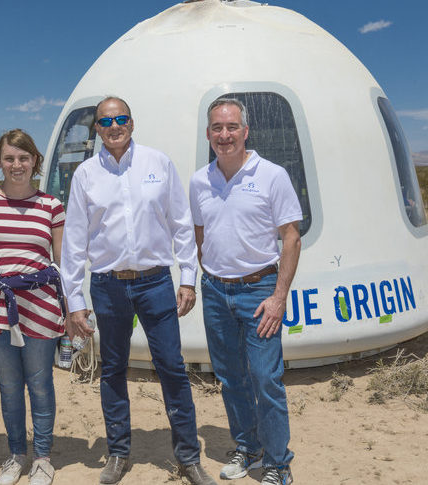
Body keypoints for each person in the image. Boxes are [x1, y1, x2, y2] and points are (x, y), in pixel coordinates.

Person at [61, 97, 215, 485]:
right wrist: (75, 301)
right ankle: (118, 452)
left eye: (122, 118)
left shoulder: (157, 163)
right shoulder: (85, 175)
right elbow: (75, 241)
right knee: (112, 369)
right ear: (97, 128)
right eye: (106, 121)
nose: (115, 126)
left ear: (133, 122)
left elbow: (181, 223)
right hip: (108, 285)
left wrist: (187, 279)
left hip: (155, 282)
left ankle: (188, 457)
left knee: (172, 368)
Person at [189, 98, 302, 485]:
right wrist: (211, 275)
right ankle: (248, 446)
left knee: (265, 378)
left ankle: (277, 462)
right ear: (209, 134)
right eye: (217, 129)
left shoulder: (272, 175)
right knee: (229, 375)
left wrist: (279, 296)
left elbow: (291, 237)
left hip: (260, 291)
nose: (225, 135)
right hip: (216, 292)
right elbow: (199, 232)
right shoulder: (199, 180)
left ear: (245, 131)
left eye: (232, 127)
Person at [0, 129, 65, 485]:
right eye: (10, 158)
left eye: (24, 158)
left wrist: (75, 308)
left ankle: (43, 458)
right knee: (9, 387)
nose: (17, 165)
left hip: (40, 308)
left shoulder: (52, 206)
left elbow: (62, 262)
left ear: (34, 160)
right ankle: (16, 455)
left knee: (40, 384)